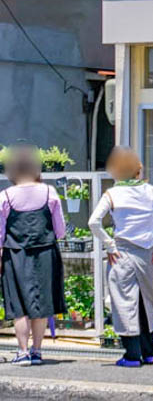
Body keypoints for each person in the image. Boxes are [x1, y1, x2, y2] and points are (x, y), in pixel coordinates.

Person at [88, 146, 153, 367]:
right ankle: (149, 352)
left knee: (124, 301)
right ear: (138, 171)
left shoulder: (113, 194)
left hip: (121, 253)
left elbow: (93, 222)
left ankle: (131, 355)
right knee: (146, 300)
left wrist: (109, 245)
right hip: (146, 254)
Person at [0, 144, 66, 366]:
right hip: (46, 251)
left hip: (14, 254)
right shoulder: (50, 192)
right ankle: (37, 351)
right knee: (42, 304)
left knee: (19, 306)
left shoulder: (5, 196)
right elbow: (61, 230)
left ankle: (22, 352)